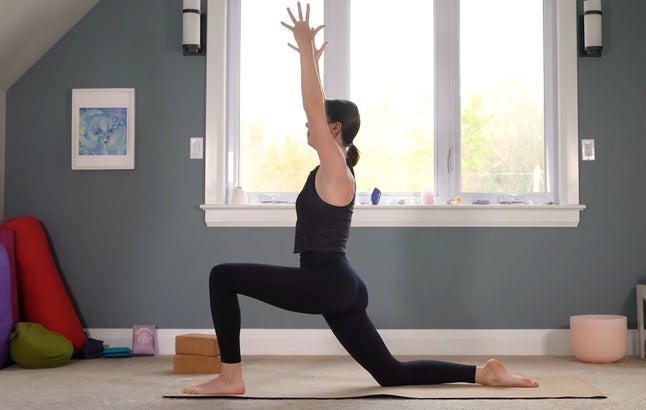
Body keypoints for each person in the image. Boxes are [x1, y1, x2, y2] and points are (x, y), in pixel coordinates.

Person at [183, 2, 538, 395]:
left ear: (333, 128)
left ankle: (231, 377)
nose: (307, 126)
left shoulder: (336, 168)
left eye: (316, 125)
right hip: (339, 284)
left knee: (223, 276)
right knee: (390, 373)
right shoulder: (336, 168)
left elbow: (312, 108)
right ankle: (482, 372)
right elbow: (317, 108)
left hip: (326, 282)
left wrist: (303, 50)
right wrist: (313, 62)